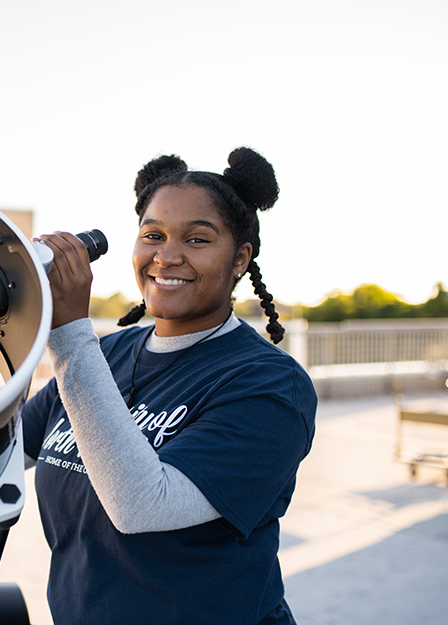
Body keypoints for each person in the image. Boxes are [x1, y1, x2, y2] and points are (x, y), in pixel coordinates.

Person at [22, 147, 317, 625]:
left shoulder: (270, 385)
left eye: (197, 239)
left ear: (240, 258)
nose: (167, 255)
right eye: (153, 235)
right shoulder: (107, 357)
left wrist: (69, 336)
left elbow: (141, 506)